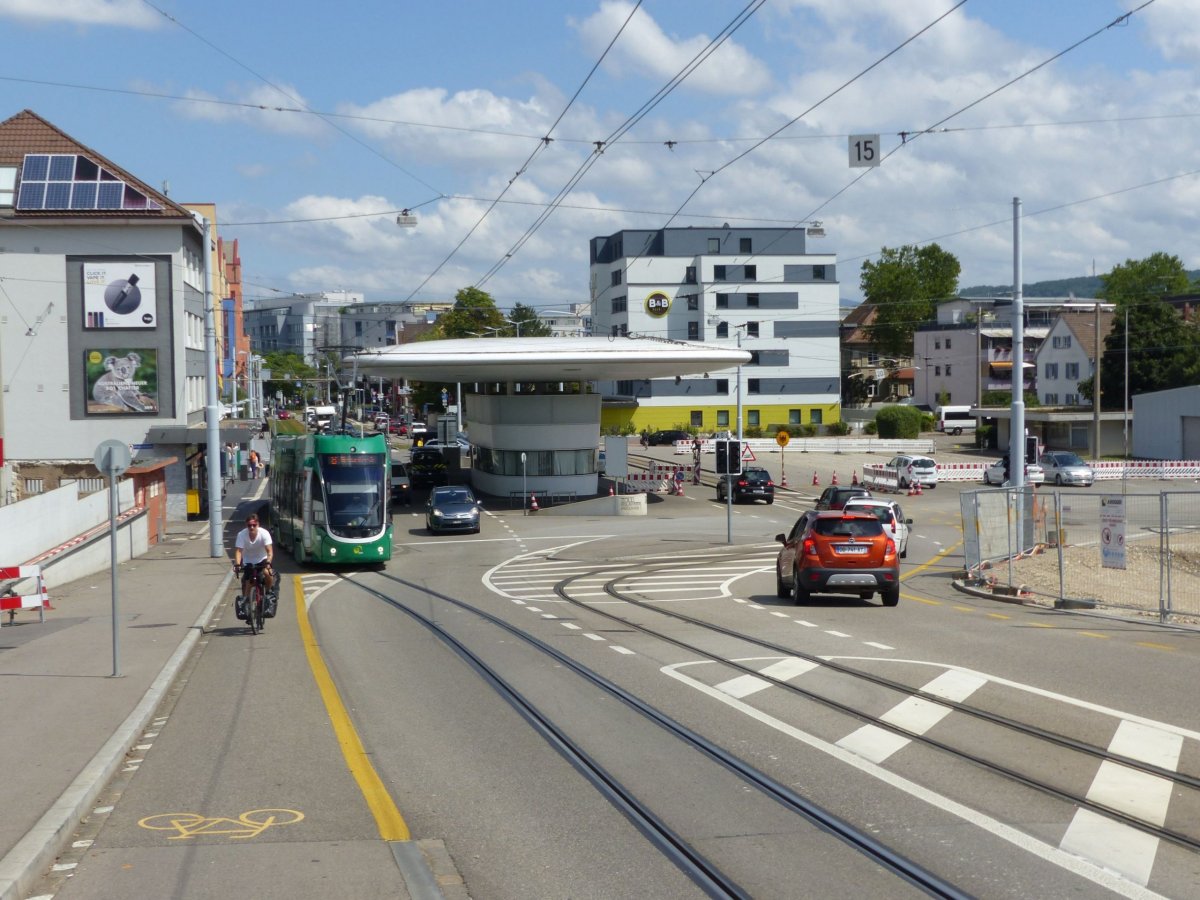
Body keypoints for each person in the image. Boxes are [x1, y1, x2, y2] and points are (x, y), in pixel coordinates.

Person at [233, 514, 275, 618]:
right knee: (248, 583)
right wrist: (238, 564)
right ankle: (247, 606)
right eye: (249, 525)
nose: (251, 527)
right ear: (246, 525)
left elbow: (269, 551)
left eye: (254, 525)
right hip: (249, 561)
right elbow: (239, 551)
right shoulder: (241, 535)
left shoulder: (264, 533)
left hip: (262, 559)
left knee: (267, 573)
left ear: (258, 525)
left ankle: (269, 592)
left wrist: (268, 562)